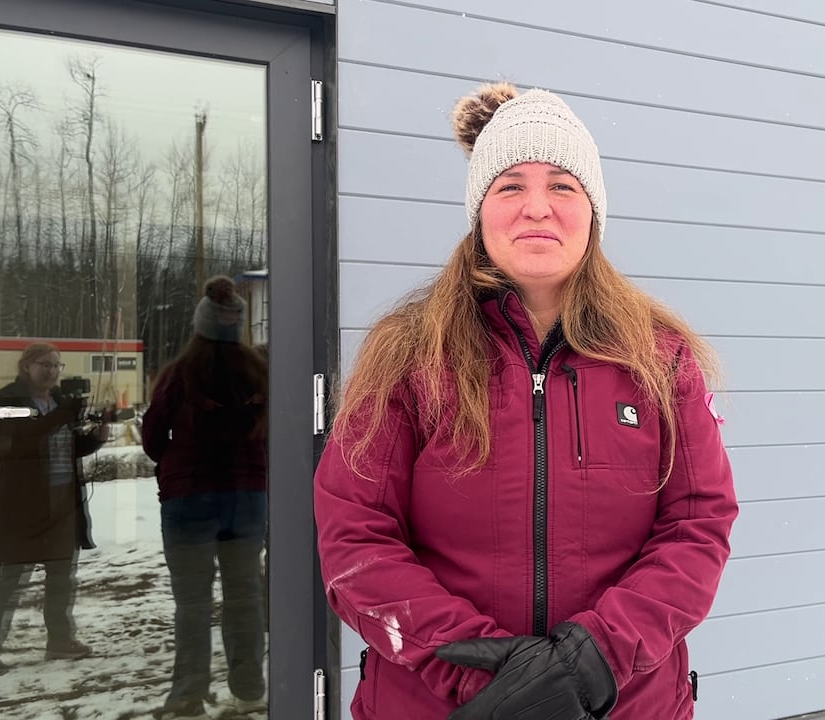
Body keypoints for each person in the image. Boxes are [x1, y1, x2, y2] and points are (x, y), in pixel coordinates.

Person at [314, 82, 738, 720]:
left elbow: (696, 528)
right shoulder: (406, 355)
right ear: (479, 209)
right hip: (442, 707)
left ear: (593, 211)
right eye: (510, 185)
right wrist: (488, 675)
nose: (537, 207)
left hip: (623, 704)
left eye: (562, 186)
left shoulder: (660, 359)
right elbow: (356, 539)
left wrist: (593, 660)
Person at [143, 276, 269, 720]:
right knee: (245, 597)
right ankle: (250, 690)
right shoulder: (258, 370)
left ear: (200, 324)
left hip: (189, 500)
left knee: (192, 603)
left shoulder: (178, 375)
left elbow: (153, 435)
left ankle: (187, 695)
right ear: (237, 324)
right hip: (247, 498)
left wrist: (176, 467)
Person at [0, 342, 106, 668]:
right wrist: (63, 414)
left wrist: (95, 437)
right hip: (24, 508)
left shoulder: (55, 402)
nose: (52, 371)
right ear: (26, 365)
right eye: (45, 364)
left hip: (62, 505)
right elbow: (19, 444)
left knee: (61, 579)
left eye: (57, 365)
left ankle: (60, 640)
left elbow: (65, 447)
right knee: (10, 582)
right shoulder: (6, 399)